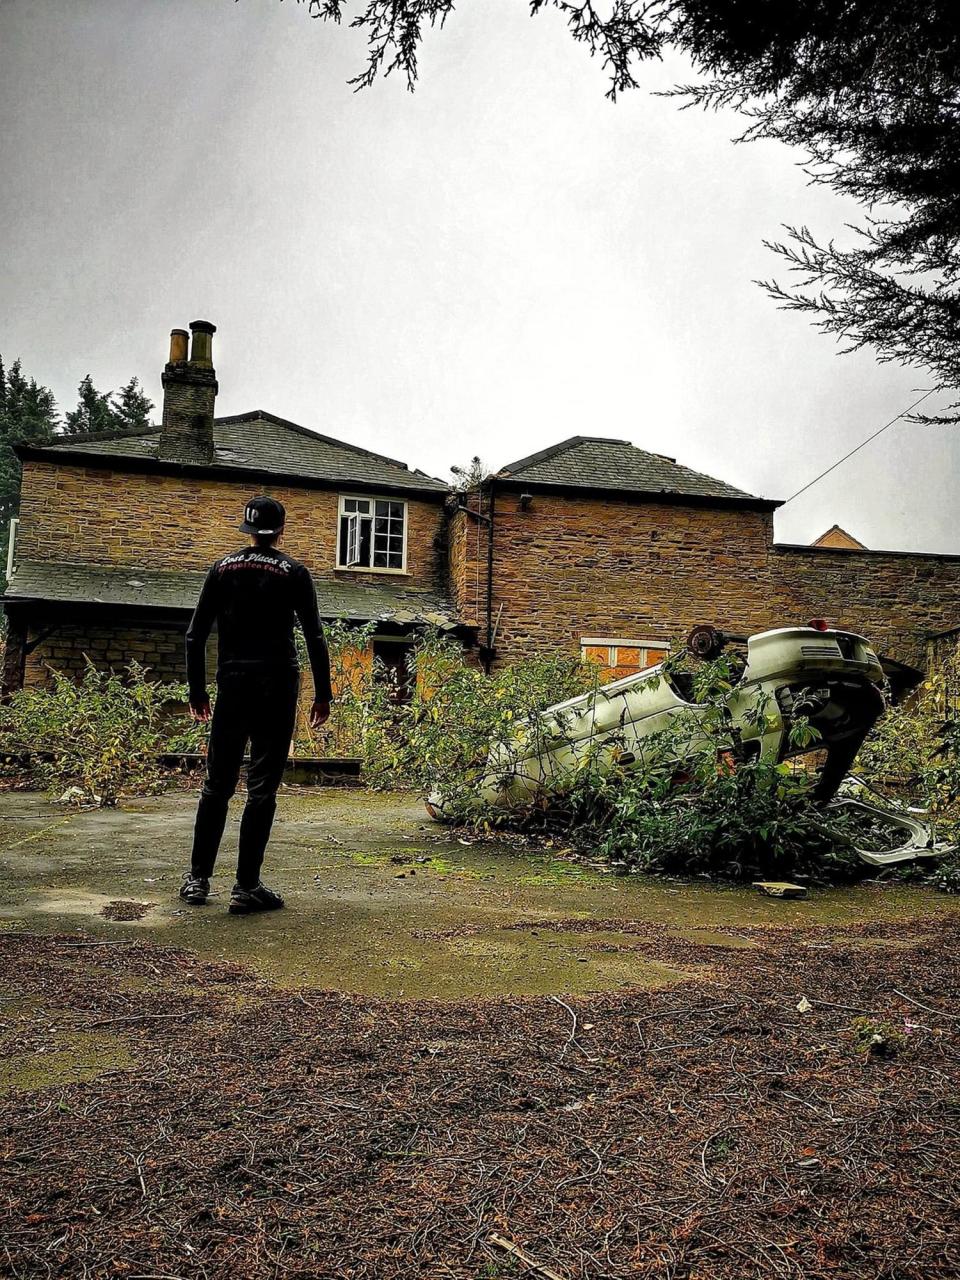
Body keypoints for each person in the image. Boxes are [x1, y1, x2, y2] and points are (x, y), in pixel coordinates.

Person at [180, 496, 332, 914]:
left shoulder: (221, 568)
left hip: (233, 681)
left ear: (245, 530)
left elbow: (195, 636)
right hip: (277, 683)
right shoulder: (293, 572)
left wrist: (197, 691)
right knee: (262, 786)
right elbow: (314, 636)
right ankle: (246, 887)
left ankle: (197, 879)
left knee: (218, 783)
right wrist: (324, 694)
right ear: (280, 530)